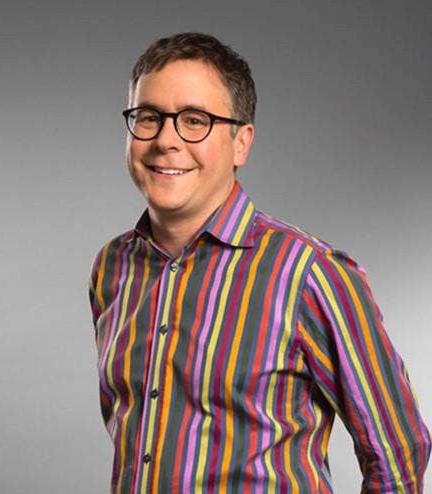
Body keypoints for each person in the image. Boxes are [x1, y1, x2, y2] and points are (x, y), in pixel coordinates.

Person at [88, 32, 430, 493]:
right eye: (149, 117)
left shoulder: (309, 273)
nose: (166, 140)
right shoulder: (113, 268)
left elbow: (397, 450)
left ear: (241, 143)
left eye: (194, 120)